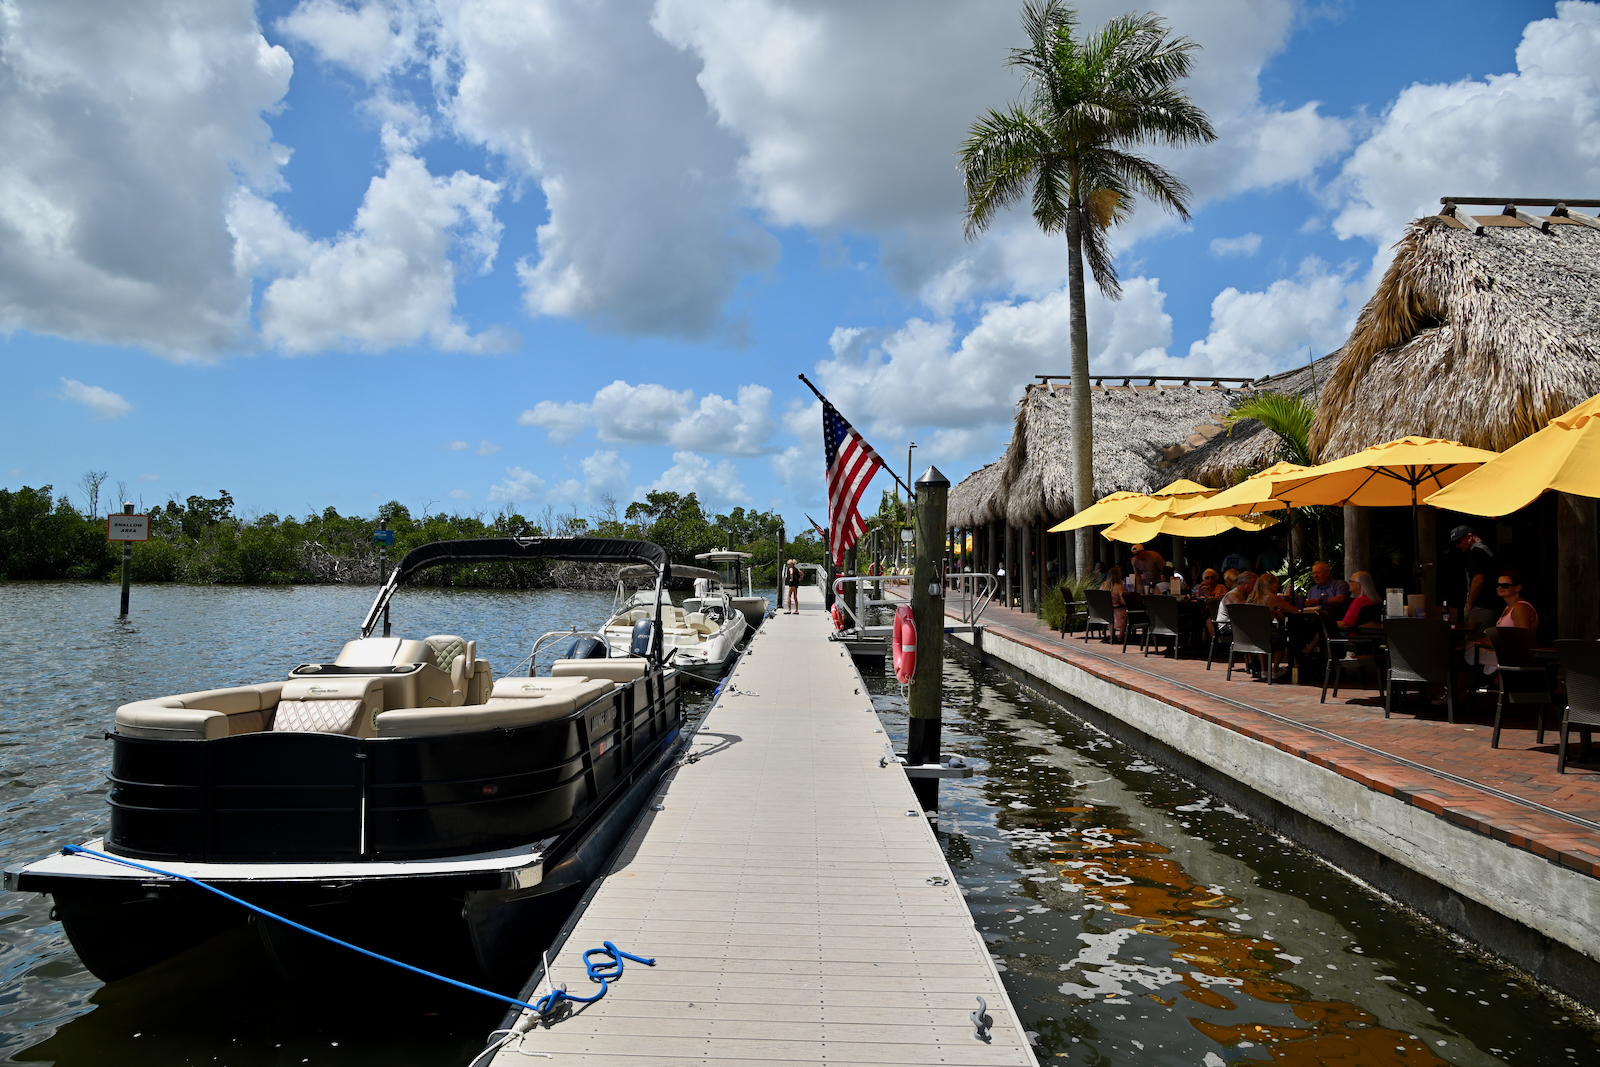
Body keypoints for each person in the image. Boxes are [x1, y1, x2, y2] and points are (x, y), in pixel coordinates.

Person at [1451, 525, 1500, 630]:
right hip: (1494, 604)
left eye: (1458, 541)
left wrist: (1469, 603)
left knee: (1473, 640)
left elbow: (1478, 579)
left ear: (1470, 537)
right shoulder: (1489, 550)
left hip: (1481, 605)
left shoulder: (1475, 553)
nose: (1457, 546)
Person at [1101, 565, 1128, 639]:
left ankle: (1112, 634)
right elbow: (1124, 602)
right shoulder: (1118, 586)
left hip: (1105, 611)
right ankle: (1121, 635)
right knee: (1126, 612)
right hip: (1116, 610)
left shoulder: (1103, 585)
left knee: (1111, 613)